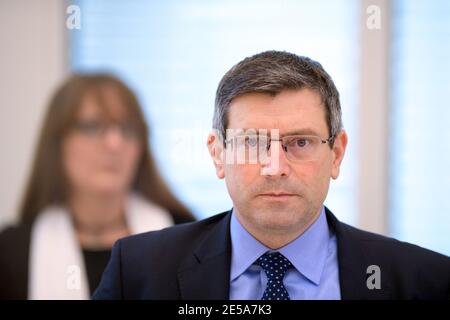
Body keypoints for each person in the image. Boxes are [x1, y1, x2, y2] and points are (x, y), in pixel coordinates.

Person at [93, 51, 450, 300]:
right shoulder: (139, 272)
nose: (275, 167)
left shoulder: (425, 279)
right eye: (251, 142)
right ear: (218, 154)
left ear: (337, 154)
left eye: (300, 142)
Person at [0, 73, 195, 299]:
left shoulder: (185, 237)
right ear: (57, 143)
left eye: (128, 129)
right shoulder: (14, 250)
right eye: (92, 127)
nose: (114, 143)